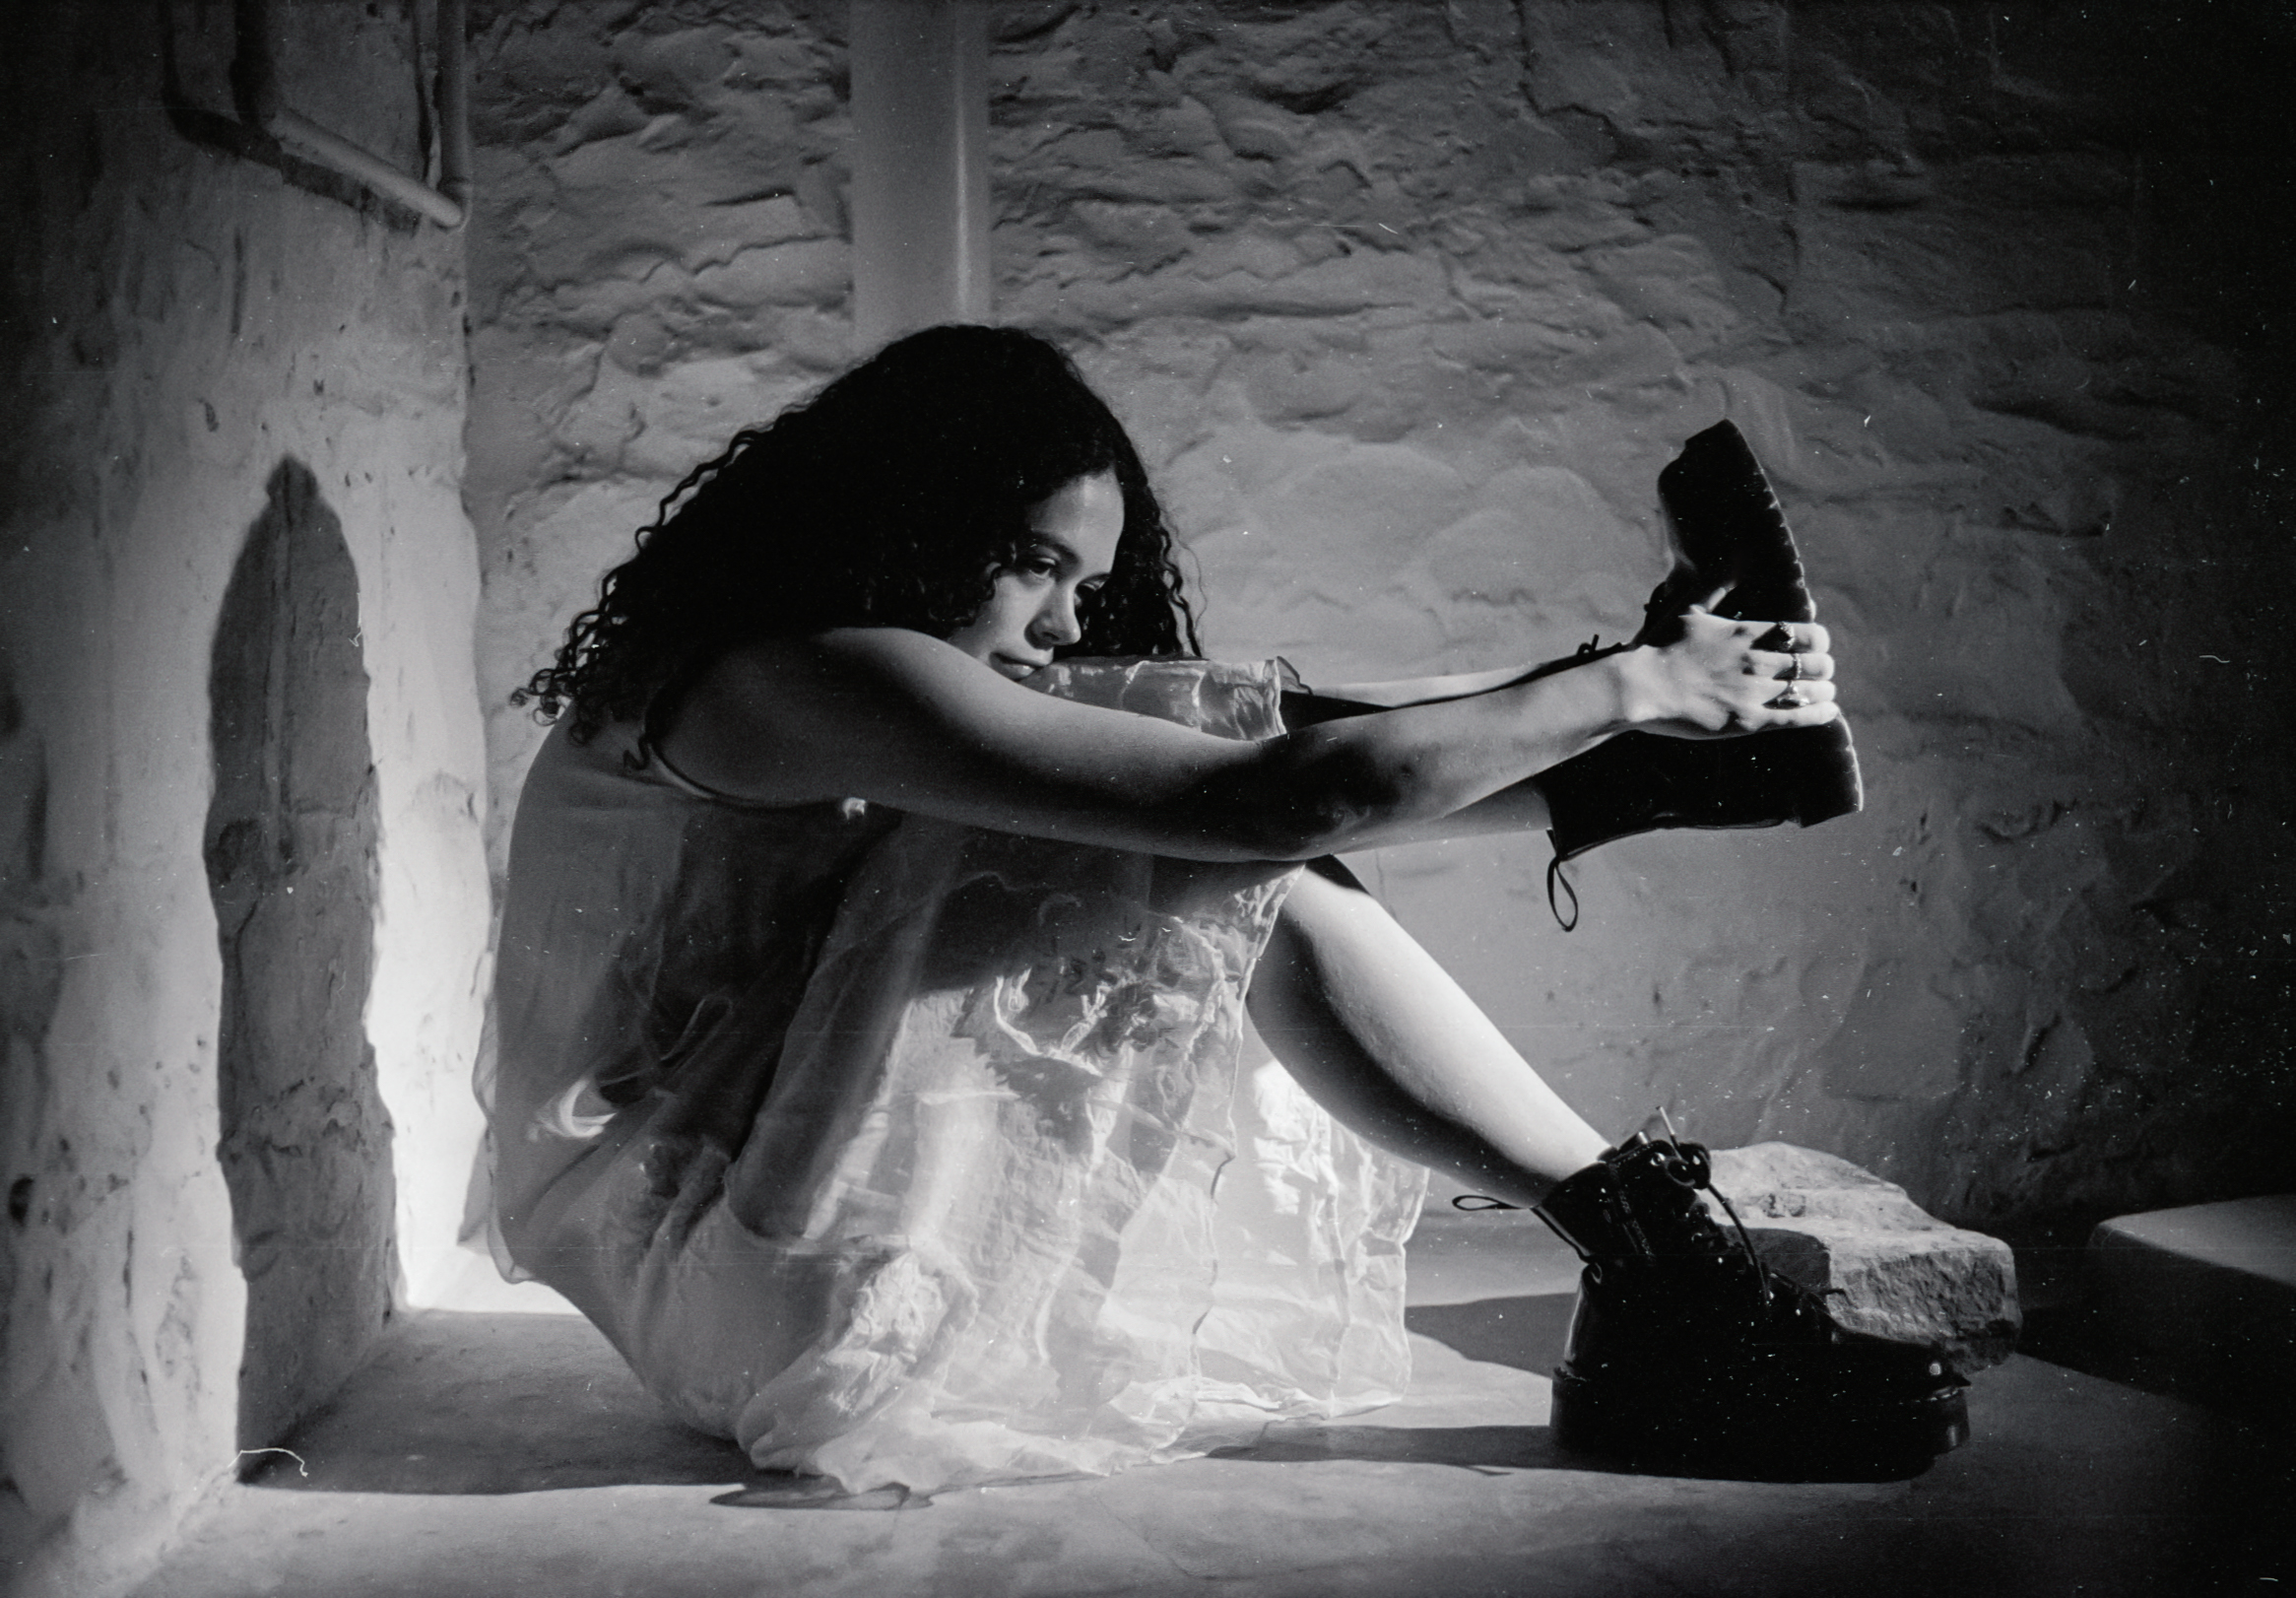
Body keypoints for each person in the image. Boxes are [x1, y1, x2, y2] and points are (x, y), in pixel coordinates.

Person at [482, 324, 1959, 1498]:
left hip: (767, 1257)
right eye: (1035, 565)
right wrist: (1632, 689)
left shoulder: (780, 668)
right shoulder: (798, 679)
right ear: (913, 524)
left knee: (1181, 778)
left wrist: (1610, 708)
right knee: (1211, 838)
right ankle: (1664, 1272)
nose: (1063, 621)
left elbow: (1265, 738)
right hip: (751, 1290)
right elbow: (1263, 800)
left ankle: (1649, 1188)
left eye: (1083, 577)